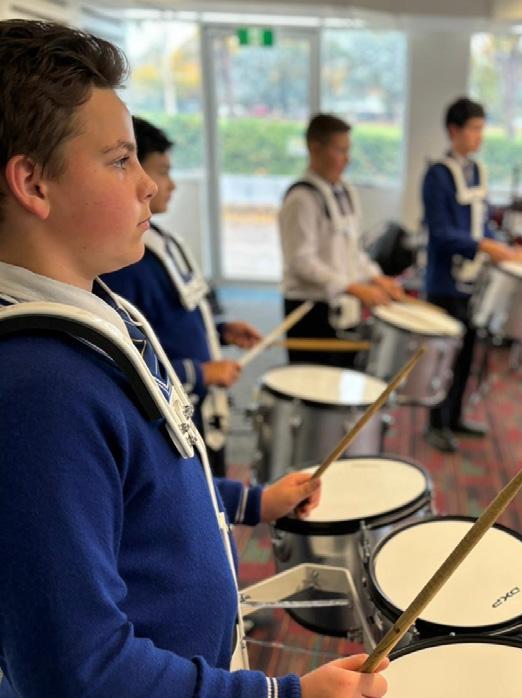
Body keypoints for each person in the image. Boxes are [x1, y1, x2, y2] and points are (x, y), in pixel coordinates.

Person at [0, 19, 388, 698]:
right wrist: (281, 695)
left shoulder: (95, 309)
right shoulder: (40, 389)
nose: (148, 185)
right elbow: (77, 672)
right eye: (120, 161)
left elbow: (147, 489)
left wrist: (251, 501)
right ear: (33, 183)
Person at [102, 116, 260, 477]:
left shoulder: (161, 240)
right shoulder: (125, 264)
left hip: (202, 403)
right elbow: (132, 359)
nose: (166, 185)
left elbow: (171, 318)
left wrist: (219, 331)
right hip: (176, 410)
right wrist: (201, 373)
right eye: (162, 172)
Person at [422, 97, 522, 453]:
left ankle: (454, 417)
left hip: (474, 282)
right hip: (444, 282)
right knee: (443, 357)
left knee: (467, 354)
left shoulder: (477, 171)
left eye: (483, 128)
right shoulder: (437, 175)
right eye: (474, 128)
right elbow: (440, 234)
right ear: (454, 130)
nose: (480, 135)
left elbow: (481, 222)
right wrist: (485, 245)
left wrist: (503, 247)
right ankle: (435, 423)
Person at [278, 113, 403, 367]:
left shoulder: (345, 192)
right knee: (313, 385)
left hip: (343, 310)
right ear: (314, 148)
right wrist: (353, 287)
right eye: (340, 150)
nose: (347, 159)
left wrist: (375, 277)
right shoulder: (301, 199)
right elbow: (301, 262)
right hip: (310, 312)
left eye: (348, 150)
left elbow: (351, 251)